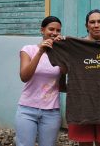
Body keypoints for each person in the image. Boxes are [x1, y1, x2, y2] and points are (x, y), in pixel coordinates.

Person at [67, 9, 100, 146]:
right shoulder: (76, 47)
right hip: (82, 103)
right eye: (92, 22)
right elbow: (62, 67)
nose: (96, 25)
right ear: (86, 26)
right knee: (84, 143)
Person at [15, 16, 66, 146]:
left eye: (58, 30)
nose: (54, 33)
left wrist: (62, 50)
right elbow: (24, 76)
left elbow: (64, 74)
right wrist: (40, 52)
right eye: (51, 29)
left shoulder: (59, 53)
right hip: (27, 109)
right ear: (42, 30)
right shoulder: (28, 49)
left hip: (51, 111)